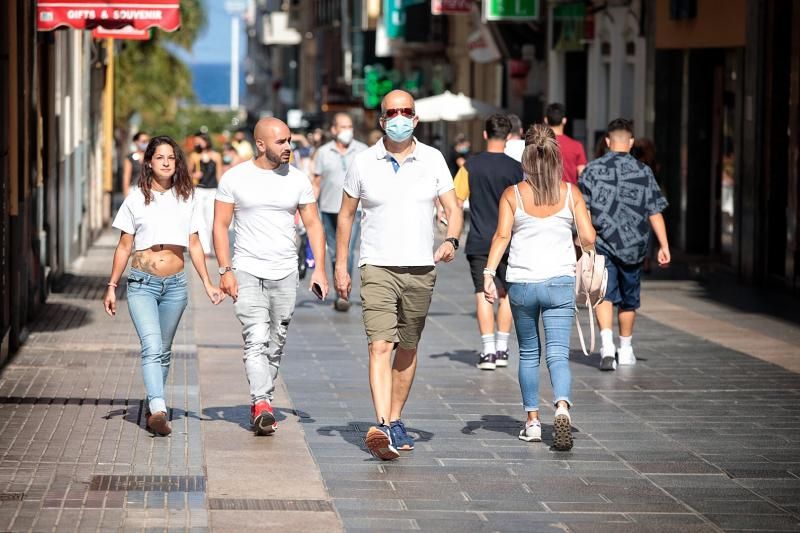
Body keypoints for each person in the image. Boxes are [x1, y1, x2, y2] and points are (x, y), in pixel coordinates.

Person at [335, 90, 463, 460]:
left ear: (416, 119)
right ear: (381, 120)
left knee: (407, 346)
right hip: (376, 265)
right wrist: (340, 265)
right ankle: (383, 426)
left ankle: (396, 417)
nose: (399, 117)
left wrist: (452, 240)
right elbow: (345, 215)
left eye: (406, 111)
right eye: (392, 112)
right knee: (380, 345)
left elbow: (454, 208)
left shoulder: (434, 159)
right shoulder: (363, 162)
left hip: (422, 267)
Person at [213, 117, 328, 436]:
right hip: (247, 269)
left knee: (276, 343)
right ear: (260, 144)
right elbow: (220, 225)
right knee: (256, 338)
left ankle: (262, 400)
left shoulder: (298, 180)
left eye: (290, 140)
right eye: (282, 142)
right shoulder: (235, 178)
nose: (289, 147)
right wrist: (225, 269)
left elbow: (314, 224)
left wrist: (319, 267)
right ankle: (262, 402)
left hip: (286, 271)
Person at [484, 124, 596, 451]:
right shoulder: (570, 193)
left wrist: (489, 272)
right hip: (559, 282)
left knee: (529, 353)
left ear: (526, 159)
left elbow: (502, 237)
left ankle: (532, 422)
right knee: (558, 354)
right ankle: (561, 407)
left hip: (522, 283)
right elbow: (587, 237)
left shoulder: (513, 194)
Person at [104, 136, 225, 436]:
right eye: (160, 157)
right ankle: (158, 408)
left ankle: (153, 401)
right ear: (148, 162)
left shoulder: (187, 197)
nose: (167, 162)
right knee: (152, 347)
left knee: (165, 351)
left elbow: (195, 244)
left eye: (171, 157)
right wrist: (111, 285)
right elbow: (124, 246)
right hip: (141, 284)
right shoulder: (136, 198)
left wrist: (209, 283)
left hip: (175, 287)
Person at [579, 118, 670, 371]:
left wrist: (584, 242)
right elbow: (655, 211)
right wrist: (664, 245)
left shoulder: (592, 170)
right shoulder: (644, 171)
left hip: (602, 244)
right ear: (630, 142)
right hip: (634, 247)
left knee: (604, 294)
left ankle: (607, 346)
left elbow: (583, 210)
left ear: (608, 141)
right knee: (629, 299)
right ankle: (626, 349)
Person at [453, 114, 523, 370]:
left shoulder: (469, 166)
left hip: (480, 240)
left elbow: (456, 202)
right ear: (509, 137)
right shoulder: (516, 169)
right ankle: (503, 348)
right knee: (506, 293)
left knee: (483, 293)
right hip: (510, 241)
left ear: (484, 135)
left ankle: (487, 351)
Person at [312, 112, 368, 312]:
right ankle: (340, 287)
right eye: (343, 127)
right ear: (334, 130)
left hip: (355, 211)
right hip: (328, 209)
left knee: (349, 252)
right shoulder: (323, 152)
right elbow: (316, 183)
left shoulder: (363, 151)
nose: (347, 131)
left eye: (350, 126)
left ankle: (344, 294)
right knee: (335, 252)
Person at [189, 132, 223, 256]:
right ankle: (204, 248)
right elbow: (188, 173)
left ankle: (207, 247)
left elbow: (219, 174)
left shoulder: (216, 156)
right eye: (196, 141)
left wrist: (222, 191)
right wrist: (194, 175)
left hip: (212, 190)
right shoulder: (194, 156)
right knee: (199, 219)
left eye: (200, 140)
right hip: (199, 190)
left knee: (210, 219)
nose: (198, 143)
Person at [544, 103, 587, 184]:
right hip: (569, 193)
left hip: (545, 193)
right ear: (564, 120)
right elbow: (582, 174)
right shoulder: (576, 146)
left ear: (546, 120)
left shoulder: (538, 144)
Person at [122, 131, 150, 196]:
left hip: (149, 189)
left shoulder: (151, 157)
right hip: (134, 190)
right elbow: (126, 176)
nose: (146, 143)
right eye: (143, 141)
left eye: (147, 141)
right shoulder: (130, 158)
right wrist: (126, 194)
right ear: (136, 142)